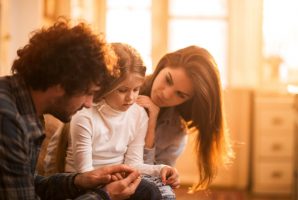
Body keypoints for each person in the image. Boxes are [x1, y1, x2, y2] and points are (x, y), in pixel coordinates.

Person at [0, 19, 141, 200]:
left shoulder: (25, 107)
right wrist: (105, 195)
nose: (90, 103)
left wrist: (80, 180)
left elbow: (28, 182)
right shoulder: (8, 120)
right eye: (88, 93)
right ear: (61, 84)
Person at [45, 43, 179, 199]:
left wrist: (161, 169)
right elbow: (85, 174)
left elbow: (133, 164)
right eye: (122, 90)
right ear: (106, 86)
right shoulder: (84, 115)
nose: (131, 98)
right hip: (84, 182)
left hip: (116, 179)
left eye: (136, 89)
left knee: (156, 192)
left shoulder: (139, 114)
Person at [137, 45, 234, 191]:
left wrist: (167, 175)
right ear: (162, 66)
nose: (166, 94)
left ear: (188, 101)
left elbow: (152, 180)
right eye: (168, 80)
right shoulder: (125, 89)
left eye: (180, 94)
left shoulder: (176, 131)